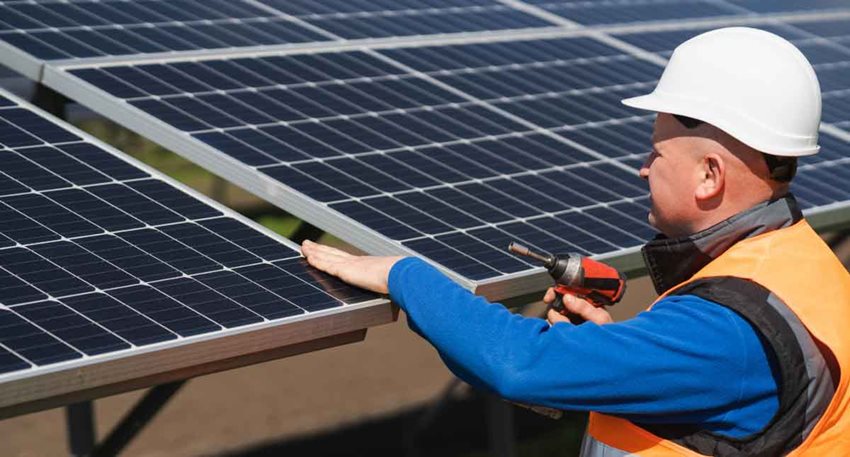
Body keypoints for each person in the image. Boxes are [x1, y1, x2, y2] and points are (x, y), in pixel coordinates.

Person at [301, 27, 850, 456]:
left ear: (710, 175)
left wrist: (402, 276)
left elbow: (517, 365)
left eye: (657, 151)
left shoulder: (727, 329)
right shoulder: (804, 267)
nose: (642, 168)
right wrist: (603, 358)